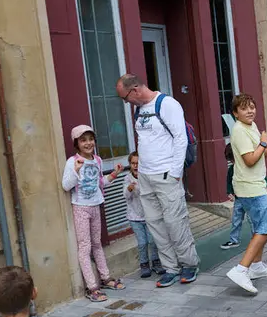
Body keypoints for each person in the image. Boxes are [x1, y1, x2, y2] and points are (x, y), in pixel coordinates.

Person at [117, 74, 199, 288]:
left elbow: (180, 138)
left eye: (125, 98)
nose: (126, 103)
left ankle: (189, 263)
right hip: (145, 176)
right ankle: (170, 267)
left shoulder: (167, 104)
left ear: (134, 89)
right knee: (155, 224)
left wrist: (175, 173)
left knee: (175, 221)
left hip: (166, 175)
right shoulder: (139, 110)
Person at [225, 94, 267, 294]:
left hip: (253, 185)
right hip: (250, 187)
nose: (250, 111)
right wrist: (265, 143)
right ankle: (241, 269)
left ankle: (256, 266)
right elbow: (250, 159)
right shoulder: (239, 130)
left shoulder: (251, 126)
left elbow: (258, 152)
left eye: (252, 107)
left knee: (260, 227)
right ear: (235, 113)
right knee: (266, 229)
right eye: (244, 108)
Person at [61, 125, 123, 302]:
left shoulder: (97, 160)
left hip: (96, 205)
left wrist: (115, 174)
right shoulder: (72, 161)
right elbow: (66, 186)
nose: (88, 143)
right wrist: (76, 170)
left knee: (97, 243)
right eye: (83, 140)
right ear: (77, 143)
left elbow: (100, 183)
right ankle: (91, 286)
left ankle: (105, 278)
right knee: (85, 246)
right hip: (81, 207)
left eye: (90, 139)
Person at [124, 152, 161, 278]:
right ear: (130, 165)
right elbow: (126, 196)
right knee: (142, 242)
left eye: (138, 163)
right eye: (133, 163)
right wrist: (128, 189)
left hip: (148, 216)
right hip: (135, 217)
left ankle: (156, 262)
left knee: (152, 240)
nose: (136, 166)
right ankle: (144, 264)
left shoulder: (146, 177)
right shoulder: (128, 179)